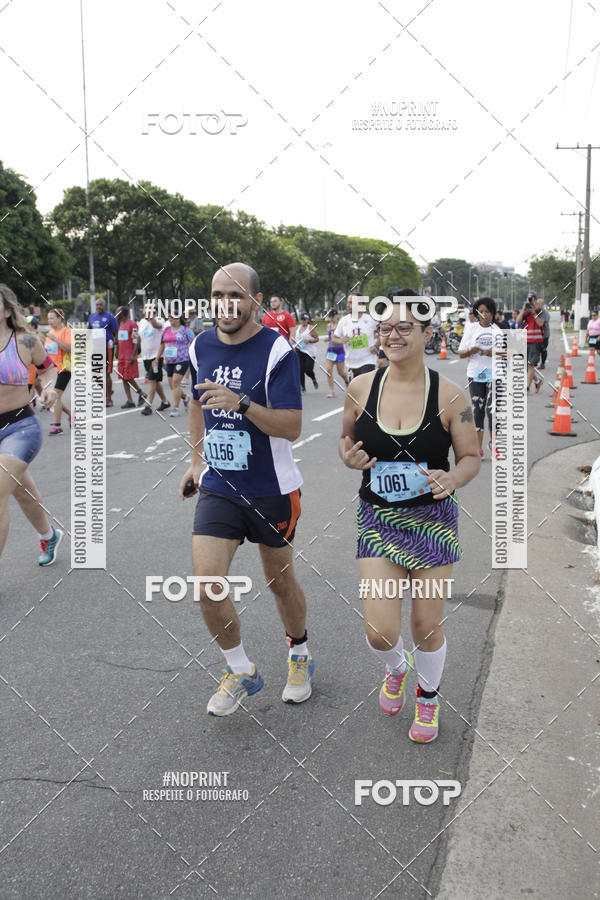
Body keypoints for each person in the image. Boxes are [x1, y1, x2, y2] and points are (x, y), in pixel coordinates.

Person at [339, 291, 479, 743]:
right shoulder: (361, 386)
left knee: (425, 625)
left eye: (404, 327)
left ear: (426, 333)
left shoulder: (451, 396)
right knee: (381, 632)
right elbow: (345, 440)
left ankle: (429, 695)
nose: (392, 335)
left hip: (432, 525)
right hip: (378, 522)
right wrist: (350, 457)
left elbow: (472, 456)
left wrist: (453, 479)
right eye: (385, 327)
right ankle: (397, 667)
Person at [181, 262, 313, 716]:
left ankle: (298, 655)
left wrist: (241, 402)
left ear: (256, 300)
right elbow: (198, 404)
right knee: (207, 585)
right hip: (220, 484)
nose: (226, 304)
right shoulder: (200, 345)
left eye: (235, 294)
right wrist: (196, 461)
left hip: (272, 488)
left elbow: (292, 426)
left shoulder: (278, 351)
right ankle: (240, 668)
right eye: (218, 294)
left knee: (279, 581)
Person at [0, 284, 63, 564]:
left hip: (20, 428)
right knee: (23, 493)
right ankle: (50, 536)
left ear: (5, 310)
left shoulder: (25, 340)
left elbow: (48, 368)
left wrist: (49, 388)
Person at [458, 298, 503, 459]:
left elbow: (512, 352)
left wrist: (495, 352)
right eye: (481, 311)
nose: (484, 315)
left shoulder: (499, 329)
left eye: (487, 312)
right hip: (475, 374)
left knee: (493, 411)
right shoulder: (471, 328)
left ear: (493, 313)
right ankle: (478, 448)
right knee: (478, 411)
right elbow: (461, 353)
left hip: (495, 374)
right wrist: (471, 350)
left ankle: (495, 445)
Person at [155, 310, 194, 417]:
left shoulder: (185, 330)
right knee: (173, 385)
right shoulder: (166, 330)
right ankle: (185, 398)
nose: (171, 320)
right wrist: (157, 358)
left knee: (176, 383)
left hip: (182, 360)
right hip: (169, 361)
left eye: (173, 318)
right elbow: (162, 345)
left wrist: (194, 356)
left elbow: (193, 342)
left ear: (178, 318)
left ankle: (176, 408)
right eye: (170, 318)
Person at [332, 293, 378, 378]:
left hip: (368, 361)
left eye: (350, 303)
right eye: (348, 303)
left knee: (365, 388)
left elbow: (383, 333)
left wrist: (377, 345)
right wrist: (340, 340)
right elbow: (334, 339)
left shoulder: (370, 319)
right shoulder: (344, 321)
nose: (348, 305)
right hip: (351, 364)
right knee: (355, 391)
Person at [138, 305, 170, 415]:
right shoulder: (142, 322)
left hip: (156, 357)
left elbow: (156, 325)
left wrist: (151, 316)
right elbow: (140, 337)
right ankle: (165, 401)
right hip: (146, 356)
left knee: (151, 380)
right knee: (155, 381)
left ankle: (148, 405)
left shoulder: (160, 320)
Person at [44, 308, 72, 434]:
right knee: (54, 397)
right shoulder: (49, 333)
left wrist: (55, 339)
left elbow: (69, 348)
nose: (49, 320)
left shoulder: (66, 331)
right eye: (48, 318)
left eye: (52, 318)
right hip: (51, 371)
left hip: (64, 369)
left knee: (55, 397)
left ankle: (58, 426)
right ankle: (72, 416)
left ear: (59, 318)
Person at [88, 297, 118, 407]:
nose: (98, 307)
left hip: (107, 348)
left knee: (106, 373)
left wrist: (117, 348)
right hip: (96, 348)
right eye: (97, 305)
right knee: (95, 374)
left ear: (104, 306)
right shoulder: (92, 317)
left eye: (100, 305)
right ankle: (108, 391)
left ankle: (108, 398)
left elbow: (116, 333)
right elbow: (89, 332)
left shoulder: (110, 317)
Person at [115, 307, 145, 409]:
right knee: (124, 378)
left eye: (118, 312)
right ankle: (130, 400)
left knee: (128, 377)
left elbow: (136, 340)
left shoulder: (132, 324)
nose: (116, 313)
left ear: (123, 313)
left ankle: (141, 393)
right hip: (121, 356)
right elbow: (119, 340)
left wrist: (133, 355)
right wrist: (117, 351)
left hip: (129, 356)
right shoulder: (120, 324)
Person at [516, 293, 545, 392]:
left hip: (535, 342)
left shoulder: (540, 311)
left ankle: (527, 387)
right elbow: (518, 321)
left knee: (531, 365)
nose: (530, 302)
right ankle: (537, 381)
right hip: (525, 341)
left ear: (535, 301)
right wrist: (524, 308)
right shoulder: (526, 312)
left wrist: (534, 313)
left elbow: (541, 323)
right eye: (529, 300)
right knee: (525, 365)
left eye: (531, 300)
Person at [324, 311, 349, 397]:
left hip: (339, 351)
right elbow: (331, 337)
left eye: (333, 316)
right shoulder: (329, 325)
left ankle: (346, 380)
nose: (331, 318)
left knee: (341, 372)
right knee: (328, 370)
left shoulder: (341, 325)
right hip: (330, 351)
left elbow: (344, 337)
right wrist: (327, 339)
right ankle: (332, 391)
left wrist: (340, 340)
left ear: (337, 316)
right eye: (330, 316)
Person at [293, 313, 319, 392]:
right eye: (302, 319)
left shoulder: (310, 328)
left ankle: (313, 378)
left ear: (308, 320)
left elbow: (317, 339)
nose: (303, 321)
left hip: (309, 352)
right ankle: (302, 387)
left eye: (305, 319)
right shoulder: (297, 328)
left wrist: (309, 341)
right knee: (300, 370)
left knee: (308, 370)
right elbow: (294, 339)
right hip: (299, 351)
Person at [536, 297, 550, 369]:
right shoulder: (535, 312)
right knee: (536, 349)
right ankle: (535, 362)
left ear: (543, 304)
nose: (538, 305)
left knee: (543, 349)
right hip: (536, 335)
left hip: (544, 335)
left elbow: (542, 324)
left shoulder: (545, 313)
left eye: (540, 304)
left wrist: (535, 317)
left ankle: (543, 363)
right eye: (537, 303)